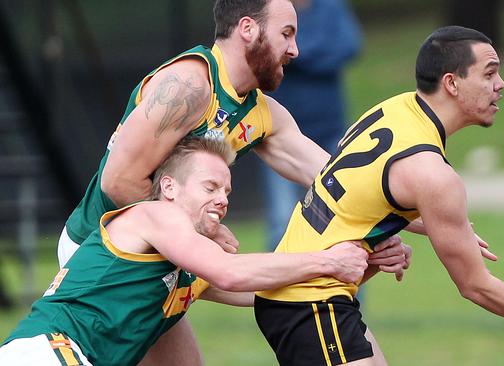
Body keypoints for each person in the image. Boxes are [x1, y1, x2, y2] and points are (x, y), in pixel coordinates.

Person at [54, 1, 411, 365]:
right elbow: (119, 182)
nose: (295, 50)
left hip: (165, 253)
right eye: (286, 34)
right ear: (247, 29)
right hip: (103, 254)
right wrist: (201, 234)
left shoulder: (260, 112)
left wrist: (421, 218)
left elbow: (344, 181)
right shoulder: (189, 86)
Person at [254, 26, 504, 366]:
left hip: (304, 296)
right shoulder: (433, 173)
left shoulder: (395, 110)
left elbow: (364, 193)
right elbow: (476, 286)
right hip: (310, 303)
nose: (501, 85)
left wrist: (430, 226)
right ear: (452, 83)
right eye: (489, 74)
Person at [0, 137, 373, 366]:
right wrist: (328, 259)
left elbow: (266, 291)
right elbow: (231, 272)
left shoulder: (184, 268)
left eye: (226, 192)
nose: (222, 200)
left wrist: (360, 263)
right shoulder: (155, 215)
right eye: (210, 187)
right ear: (170, 187)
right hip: (48, 354)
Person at [262, 0, 362, 248]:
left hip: (330, 130)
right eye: (287, 36)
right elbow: (262, 51)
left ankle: (348, 285)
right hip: (277, 136)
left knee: (345, 214)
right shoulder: (268, 8)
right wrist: (320, 50)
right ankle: (273, 285)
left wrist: (296, 55)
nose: (293, 49)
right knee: (281, 220)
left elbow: (349, 46)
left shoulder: (330, 6)